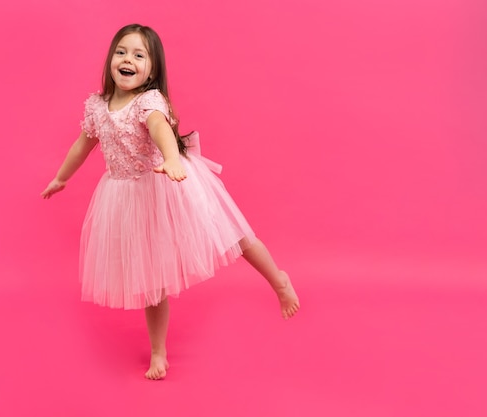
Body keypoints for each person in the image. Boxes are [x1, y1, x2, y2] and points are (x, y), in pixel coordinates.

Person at [41, 23, 299, 380]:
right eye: (121, 52)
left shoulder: (149, 102)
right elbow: (82, 145)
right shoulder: (98, 107)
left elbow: (161, 128)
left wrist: (172, 158)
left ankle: (278, 280)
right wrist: (62, 176)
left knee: (234, 235)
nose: (127, 59)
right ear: (110, 59)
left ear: (152, 69)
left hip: (170, 182)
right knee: (152, 280)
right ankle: (159, 352)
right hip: (127, 196)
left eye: (138, 55)